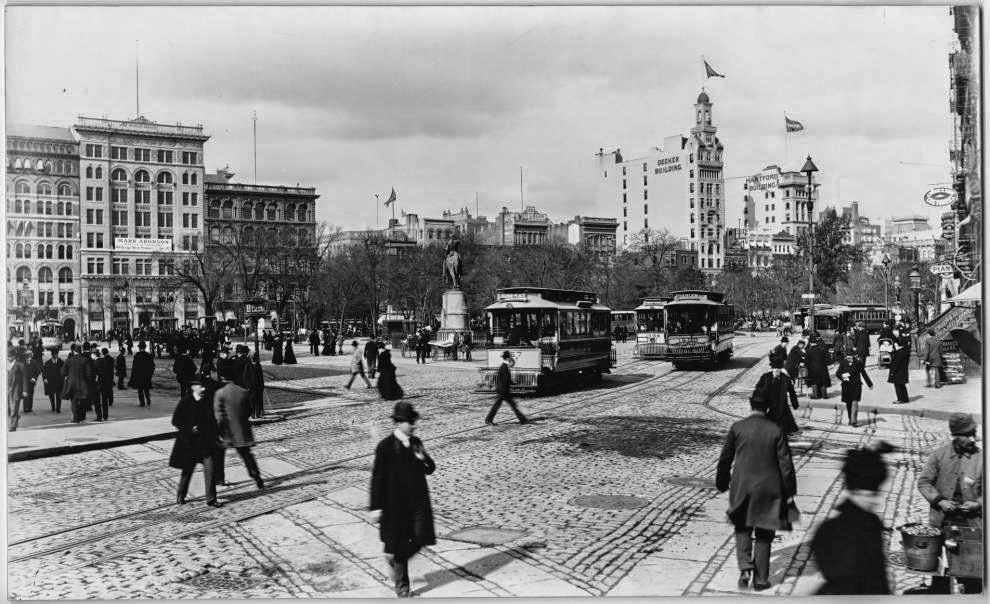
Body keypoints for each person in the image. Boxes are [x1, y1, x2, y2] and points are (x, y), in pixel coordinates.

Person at [716, 388, 797, 591]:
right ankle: (761, 580)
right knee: (764, 533)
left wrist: (722, 482)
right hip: (769, 489)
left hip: (742, 487)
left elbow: (726, 458)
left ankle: (745, 567)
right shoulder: (776, 430)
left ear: (751, 406)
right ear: (766, 407)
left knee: (742, 527)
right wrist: (789, 492)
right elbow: (786, 465)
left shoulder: (738, 428)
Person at [369, 401, 437, 598]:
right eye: (410, 422)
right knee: (399, 544)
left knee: (421, 538)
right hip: (395, 506)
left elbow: (430, 468)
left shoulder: (416, 442)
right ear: (398, 423)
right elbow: (377, 478)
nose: (414, 425)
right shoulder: (385, 446)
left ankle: (396, 560)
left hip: (418, 503)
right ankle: (403, 591)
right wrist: (376, 507)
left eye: (414, 421)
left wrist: (423, 457)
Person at [811, 441, 895, 594]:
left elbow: (878, 573)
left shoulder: (872, 522)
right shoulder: (832, 531)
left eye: (876, 494)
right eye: (870, 495)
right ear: (854, 491)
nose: (875, 501)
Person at [917, 413, 983, 595]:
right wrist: (940, 501)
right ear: (956, 435)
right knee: (939, 577)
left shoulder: (982, 458)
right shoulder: (939, 455)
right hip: (941, 521)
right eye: (967, 435)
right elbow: (924, 482)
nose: (972, 438)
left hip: (972, 526)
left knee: (972, 577)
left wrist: (977, 504)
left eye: (973, 433)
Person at [169, 377, 222, 508]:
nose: (203, 389)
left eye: (204, 387)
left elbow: (213, 421)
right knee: (187, 471)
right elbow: (176, 421)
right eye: (200, 387)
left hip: (206, 443)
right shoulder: (185, 402)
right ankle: (181, 495)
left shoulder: (208, 401)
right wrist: (189, 428)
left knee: (210, 470)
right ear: (193, 387)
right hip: (190, 444)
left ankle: (211, 499)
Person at [213, 370, 265, 490]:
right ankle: (256, 476)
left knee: (219, 455)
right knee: (246, 455)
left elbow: (219, 416)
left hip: (226, 431)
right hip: (241, 430)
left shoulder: (220, 393)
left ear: (223, 379)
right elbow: (248, 411)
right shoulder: (243, 391)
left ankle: (219, 478)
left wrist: (218, 432)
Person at [753, 356, 800, 435]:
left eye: (779, 368)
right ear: (772, 369)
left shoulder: (785, 378)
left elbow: (792, 392)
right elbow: (758, 389)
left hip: (781, 404)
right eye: (775, 368)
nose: (777, 370)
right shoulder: (766, 377)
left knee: (784, 423)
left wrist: (795, 404)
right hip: (769, 403)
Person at [486, 350, 528, 425]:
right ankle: (523, 419)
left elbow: (505, 379)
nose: (510, 359)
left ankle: (523, 419)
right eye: (509, 357)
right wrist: (513, 383)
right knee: (511, 405)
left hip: (503, 390)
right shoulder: (504, 367)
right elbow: (506, 379)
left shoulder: (504, 366)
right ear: (508, 358)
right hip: (503, 390)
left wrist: (513, 383)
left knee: (510, 405)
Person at [835, 353, 873, 427]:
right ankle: (850, 420)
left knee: (855, 402)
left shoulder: (858, 363)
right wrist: (843, 377)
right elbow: (837, 373)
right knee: (848, 403)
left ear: (854, 356)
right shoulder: (843, 362)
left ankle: (854, 421)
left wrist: (870, 384)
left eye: (850, 357)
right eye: (847, 357)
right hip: (846, 386)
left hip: (856, 385)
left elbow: (864, 373)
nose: (848, 358)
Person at [62, 343, 95, 423]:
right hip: (83, 384)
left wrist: (67, 376)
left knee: (74, 401)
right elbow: (88, 373)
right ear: (81, 351)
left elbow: (63, 371)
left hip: (72, 384)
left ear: (74, 351)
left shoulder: (70, 360)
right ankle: (82, 417)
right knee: (83, 400)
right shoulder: (85, 360)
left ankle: (76, 418)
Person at [7, 347, 29, 431]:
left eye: (9, 356)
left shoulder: (20, 365)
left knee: (14, 408)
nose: (8, 358)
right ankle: (16, 417)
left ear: (14, 356)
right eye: (7, 356)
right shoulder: (6, 365)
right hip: (8, 390)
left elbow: (25, 378)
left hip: (16, 390)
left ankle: (13, 426)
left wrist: (25, 390)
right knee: (9, 408)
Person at [129, 341, 156, 407]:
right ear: (145, 347)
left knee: (140, 390)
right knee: (146, 388)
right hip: (146, 375)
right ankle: (148, 399)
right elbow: (152, 366)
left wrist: (133, 377)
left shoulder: (137, 355)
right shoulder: (148, 355)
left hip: (139, 375)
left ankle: (142, 402)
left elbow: (134, 367)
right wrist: (150, 373)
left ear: (139, 347)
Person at [94, 348, 115, 421]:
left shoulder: (94, 362)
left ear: (94, 355)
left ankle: (99, 416)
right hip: (105, 382)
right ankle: (105, 416)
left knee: (97, 400)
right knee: (104, 400)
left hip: (97, 383)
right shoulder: (104, 360)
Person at [888, 337, 911, 404]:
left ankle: (900, 399)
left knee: (897, 385)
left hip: (898, 372)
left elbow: (895, 363)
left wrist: (892, 372)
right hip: (903, 371)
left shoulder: (900, 353)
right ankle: (905, 398)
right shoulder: (905, 351)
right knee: (902, 385)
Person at [42, 348, 65, 413]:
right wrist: (45, 379)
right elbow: (44, 372)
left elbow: (65, 370)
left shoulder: (61, 362)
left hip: (59, 381)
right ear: (52, 355)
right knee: (51, 394)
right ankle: (53, 406)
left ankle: (58, 408)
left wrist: (65, 377)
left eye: (56, 354)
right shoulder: (47, 363)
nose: (55, 356)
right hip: (50, 381)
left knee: (59, 395)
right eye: (54, 355)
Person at [244, 352, 266, 418]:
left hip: (258, 386)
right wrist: (247, 386)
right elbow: (245, 376)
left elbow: (261, 376)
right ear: (250, 358)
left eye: (255, 357)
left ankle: (258, 413)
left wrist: (262, 385)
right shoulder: (247, 365)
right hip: (251, 387)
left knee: (258, 400)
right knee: (252, 400)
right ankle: (252, 413)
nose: (254, 358)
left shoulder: (258, 365)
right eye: (253, 357)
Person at [23, 349, 43, 413]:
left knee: (31, 394)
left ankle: (30, 407)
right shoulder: (23, 362)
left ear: (30, 355)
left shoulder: (34, 362)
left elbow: (37, 371)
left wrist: (34, 378)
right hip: (25, 381)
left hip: (32, 381)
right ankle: (25, 408)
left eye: (28, 355)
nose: (27, 356)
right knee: (25, 394)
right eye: (26, 355)